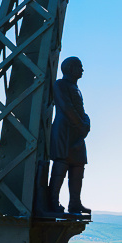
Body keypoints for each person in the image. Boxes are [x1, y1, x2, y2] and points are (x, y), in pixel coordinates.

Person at [48, 56, 90, 216]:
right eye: (79, 66)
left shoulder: (76, 88)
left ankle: (75, 203)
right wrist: (81, 125)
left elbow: (80, 109)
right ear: (70, 69)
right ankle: (53, 201)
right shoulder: (60, 84)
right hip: (64, 130)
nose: (82, 70)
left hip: (77, 132)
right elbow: (66, 107)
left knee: (78, 165)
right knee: (61, 163)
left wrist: (87, 122)